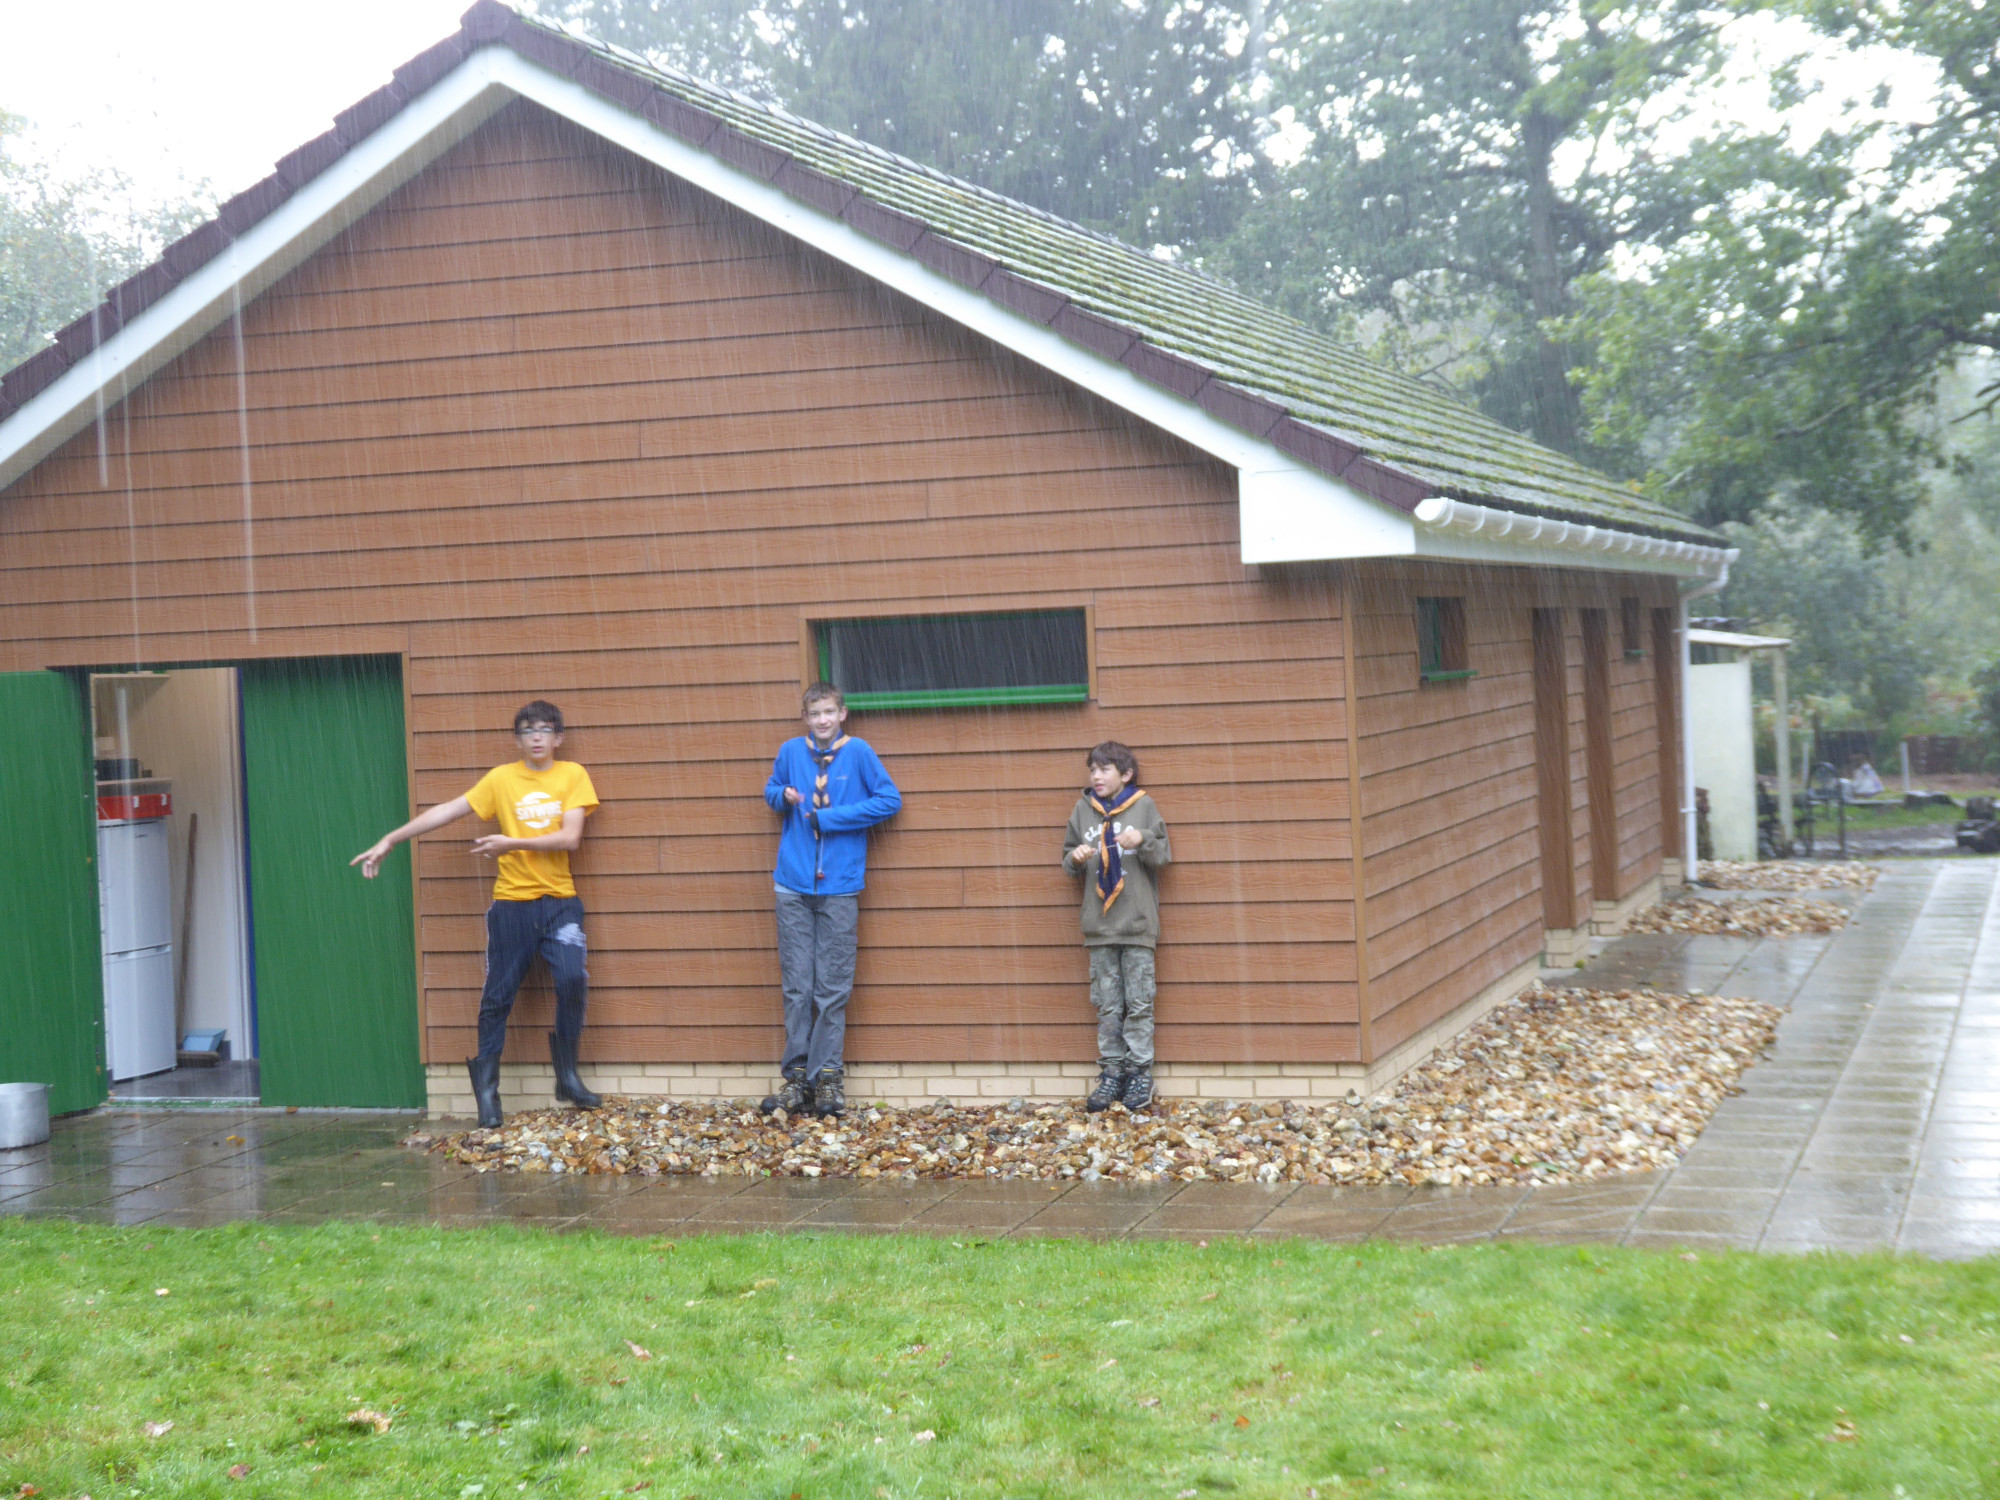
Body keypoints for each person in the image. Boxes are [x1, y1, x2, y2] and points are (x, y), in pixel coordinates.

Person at [352, 700, 600, 1130]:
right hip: (511, 906)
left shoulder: (572, 775)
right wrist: (392, 839)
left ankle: (568, 1078)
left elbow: (570, 837)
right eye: (527, 730)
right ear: (517, 739)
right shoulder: (501, 779)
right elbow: (448, 810)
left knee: (572, 979)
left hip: (560, 902)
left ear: (558, 737)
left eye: (545, 730)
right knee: (497, 997)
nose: (536, 737)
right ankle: (487, 1095)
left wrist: (511, 843)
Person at [761, 683, 901, 1119]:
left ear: (842, 713)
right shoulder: (791, 752)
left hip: (840, 886)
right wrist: (782, 796)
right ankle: (797, 1079)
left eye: (828, 712)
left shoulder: (858, 753)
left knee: (832, 989)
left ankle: (827, 1078)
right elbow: (771, 790)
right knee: (797, 986)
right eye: (814, 713)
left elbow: (889, 800)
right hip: (792, 886)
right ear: (805, 718)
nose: (822, 720)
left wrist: (831, 818)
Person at [1062, 741, 1171, 1112]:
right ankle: (1112, 1072)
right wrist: (1075, 858)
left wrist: (1143, 839)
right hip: (1100, 926)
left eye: (1104, 769)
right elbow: (1067, 859)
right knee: (1107, 1005)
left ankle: (1139, 1072)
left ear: (1126, 774)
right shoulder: (1083, 810)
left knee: (1138, 1003)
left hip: (1136, 925)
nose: (1096, 776)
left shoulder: (1143, 806)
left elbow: (1163, 855)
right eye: (1092, 770)